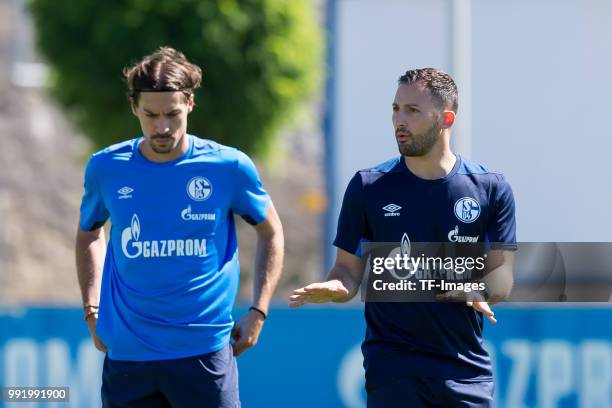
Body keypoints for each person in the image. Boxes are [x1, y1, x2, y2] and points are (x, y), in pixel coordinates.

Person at [290, 68, 516, 407]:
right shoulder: (368, 187)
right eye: (396, 109)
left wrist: (478, 288)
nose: (399, 120)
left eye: (412, 110)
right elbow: (347, 270)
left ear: (446, 119)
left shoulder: (490, 188)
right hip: (394, 370)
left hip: (466, 370)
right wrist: (339, 287)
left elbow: (501, 278)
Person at [75, 47, 284, 408]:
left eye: (172, 114)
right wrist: (92, 310)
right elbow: (89, 234)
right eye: (150, 115)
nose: (162, 127)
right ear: (133, 108)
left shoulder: (228, 167)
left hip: (203, 352)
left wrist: (259, 310)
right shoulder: (106, 168)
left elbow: (271, 232)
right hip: (129, 356)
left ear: (189, 104)